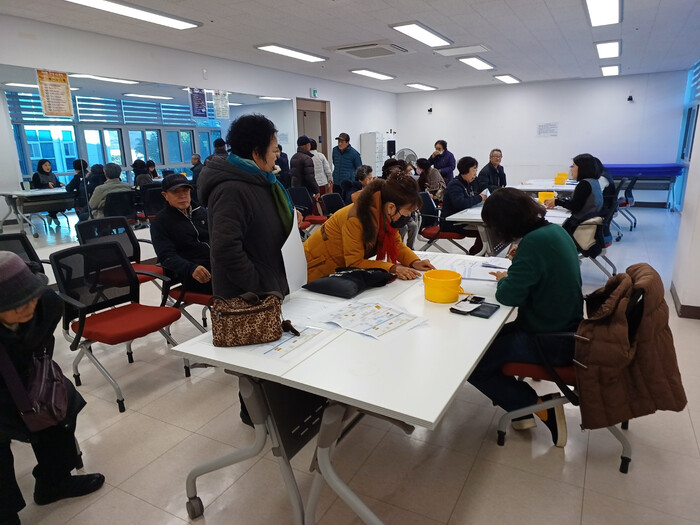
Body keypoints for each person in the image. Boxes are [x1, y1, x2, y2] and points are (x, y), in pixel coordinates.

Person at [198, 114, 295, 427]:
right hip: (247, 292)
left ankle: (275, 414)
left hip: (268, 281)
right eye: (273, 149)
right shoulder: (231, 189)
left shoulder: (261, 181)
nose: (277, 155)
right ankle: (254, 417)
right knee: (253, 356)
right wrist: (258, 285)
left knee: (270, 353)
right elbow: (226, 249)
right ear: (255, 152)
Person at [468, 188, 583, 447]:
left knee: (472, 363)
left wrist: (505, 278)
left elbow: (508, 295)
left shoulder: (534, 243)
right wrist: (518, 266)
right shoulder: (554, 231)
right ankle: (521, 413)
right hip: (565, 329)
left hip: (550, 341)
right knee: (486, 342)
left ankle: (536, 406)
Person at [0, 252, 105, 525]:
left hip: (29, 372)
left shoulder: (47, 303)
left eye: (29, 298)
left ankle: (53, 483)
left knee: (61, 409)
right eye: (15, 306)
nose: (26, 308)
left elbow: (39, 345)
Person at [304, 172, 435, 282]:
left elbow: (396, 244)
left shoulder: (385, 214)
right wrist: (393, 268)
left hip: (336, 269)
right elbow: (355, 263)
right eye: (408, 212)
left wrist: (414, 262)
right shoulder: (356, 219)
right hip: (315, 268)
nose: (409, 216)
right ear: (391, 207)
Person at [151, 174, 212, 295]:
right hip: (191, 274)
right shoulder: (160, 222)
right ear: (165, 195)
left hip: (217, 264)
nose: (182, 196)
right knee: (235, 285)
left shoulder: (202, 213)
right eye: (175, 192)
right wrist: (190, 268)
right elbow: (166, 257)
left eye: (185, 191)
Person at [544, 153, 603, 236]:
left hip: (579, 224)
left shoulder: (584, 184)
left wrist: (557, 202)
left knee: (548, 226)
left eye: (573, 166)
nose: (571, 169)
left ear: (582, 168)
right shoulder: (594, 181)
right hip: (588, 220)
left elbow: (574, 206)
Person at [440, 156, 487, 255]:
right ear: (466, 170)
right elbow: (461, 203)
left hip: (462, 220)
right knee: (484, 231)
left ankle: (476, 253)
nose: (475, 173)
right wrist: (480, 198)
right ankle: (475, 255)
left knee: (487, 229)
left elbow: (470, 199)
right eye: (474, 170)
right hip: (451, 223)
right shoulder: (455, 185)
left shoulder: (467, 183)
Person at [31, 159, 64, 226]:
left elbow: (56, 183)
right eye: (45, 165)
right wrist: (47, 185)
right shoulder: (36, 175)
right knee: (55, 202)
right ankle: (53, 215)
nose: (48, 167)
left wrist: (60, 184)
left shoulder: (52, 175)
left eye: (49, 165)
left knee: (63, 202)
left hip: (53, 195)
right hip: (43, 196)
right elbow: (36, 185)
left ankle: (51, 215)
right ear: (41, 166)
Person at [290, 135, 320, 202]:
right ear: (307, 145)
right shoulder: (307, 158)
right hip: (305, 191)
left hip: (295, 190)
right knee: (307, 207)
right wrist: (316, 190)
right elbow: (310, 177)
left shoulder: (293, 157)